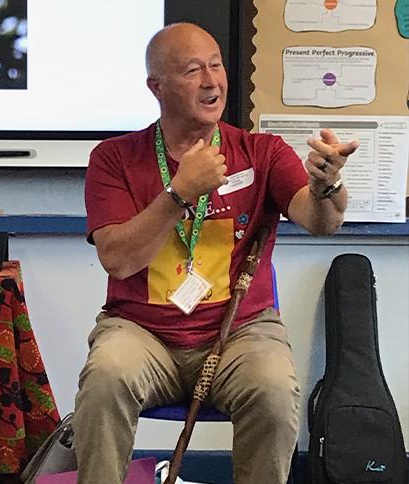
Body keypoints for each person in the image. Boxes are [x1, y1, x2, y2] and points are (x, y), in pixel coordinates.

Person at [73, 23, 357, 483]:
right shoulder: (114, 157)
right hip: (142, 332)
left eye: (216, 64)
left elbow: (320, 220)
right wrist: (179, 193)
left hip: (241, 331)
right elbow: (118, 259)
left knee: (273, 390)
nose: (211, 80)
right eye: (192, 70)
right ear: (156, 87)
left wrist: (328, 186)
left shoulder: (260, 151)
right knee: (105, 378)